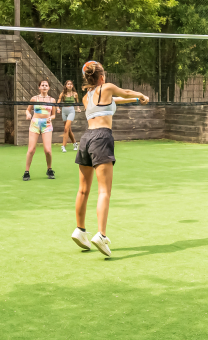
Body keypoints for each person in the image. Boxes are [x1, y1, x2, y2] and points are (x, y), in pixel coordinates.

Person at [71, 61, 149, 257]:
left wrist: (135, 100)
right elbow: (125, 92)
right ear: (102, 77)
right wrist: (140, 95)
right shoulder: (107, 88)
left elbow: (117, 100)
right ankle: (101, 235)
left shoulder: (86, 98)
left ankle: (79, 230)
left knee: (83, 190)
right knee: (104, 190)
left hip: (86, 139)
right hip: (101, 138)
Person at [24, 80, 58, 180]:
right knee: (31, 149)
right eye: (42, 85)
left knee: (47, 150)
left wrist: (50, 118)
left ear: (49, 88)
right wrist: (28, 114)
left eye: (46, 85)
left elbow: (54, 114)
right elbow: (27, 109)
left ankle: (49, 169)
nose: (44, 86)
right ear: (39, 87)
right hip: (35, 123)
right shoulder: (34, 99)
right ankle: (26, 172)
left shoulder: (52, 100)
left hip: (46, 124)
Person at [58, 79, 80, 153]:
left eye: (71, 84)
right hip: (64, 111)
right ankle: (75, 143)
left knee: (66, 129)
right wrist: (58, 108)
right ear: (66, 86)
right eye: (68, 84)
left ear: (72, 85)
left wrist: (78, 108)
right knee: (69, 130)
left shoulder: (75, 94)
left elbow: (77, 103)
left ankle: (63, 146)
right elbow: (58, 102)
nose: (69, 85)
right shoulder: (63, 94)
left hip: (71, 111)